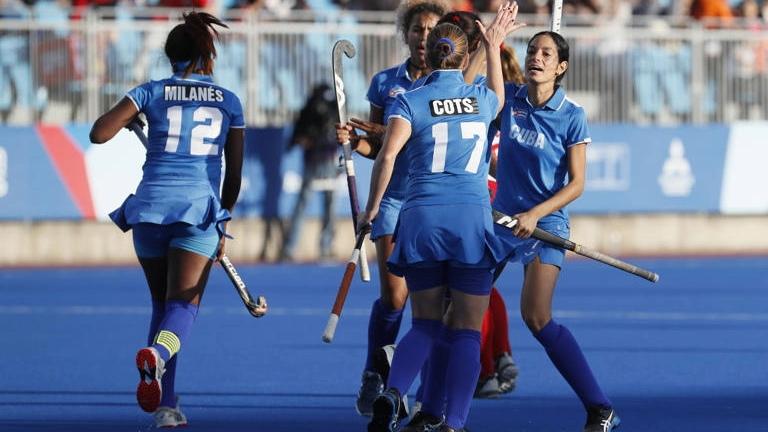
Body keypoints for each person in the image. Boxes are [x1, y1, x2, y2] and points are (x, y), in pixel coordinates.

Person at [362, 4, 523, 432]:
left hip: (421, 222)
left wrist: (373, 208)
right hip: (470, 223)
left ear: (428, 55)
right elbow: (501, 92)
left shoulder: (408, 101)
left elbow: (388, 155)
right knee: (467, 331)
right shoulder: (484, 100)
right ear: (463, 57)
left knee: (426, 323)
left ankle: (394, 393)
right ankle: (454, 422)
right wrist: (493, 45)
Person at [89, 12, 244, 429]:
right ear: (207, 57)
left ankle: (166, 406)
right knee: (183, 309)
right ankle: (156, 360)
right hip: (197, 210)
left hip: (150, 208)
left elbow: (99, 133)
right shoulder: (229, 100)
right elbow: (234, 175)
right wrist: (223, 223)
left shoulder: (151, 91)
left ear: (169, 55)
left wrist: (131, 115)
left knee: (162, 306)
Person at [489, 30, 621, 432]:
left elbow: (577, 184)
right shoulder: (509, 99)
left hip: (545, 222)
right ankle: (435, 410)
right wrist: (493, 44)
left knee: (536, 316)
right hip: (501, 219)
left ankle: (600, 408)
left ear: (560, 67)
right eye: (532, 51)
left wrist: (535, 214)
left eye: (547, 53)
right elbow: (490, 86)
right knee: (457, 310)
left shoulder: (571, 115)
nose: (537, 57)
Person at [338, 0, 449, 418]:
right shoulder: (385, 82)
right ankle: (375, 372)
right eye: (416, 29)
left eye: (431, 30)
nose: (423, 37)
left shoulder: (448, 85)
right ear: (405, 34)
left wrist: (376, 129)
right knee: (395, 295)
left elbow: (420, 132)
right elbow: (377, 150)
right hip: (391, 198)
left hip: (432, 199)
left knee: (430, 302)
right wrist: (354, 140)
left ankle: (415, 385)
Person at [475, 41, 524, 400]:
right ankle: (501, 353)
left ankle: (485, 371)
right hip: (503, 209)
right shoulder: (521, 111)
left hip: (483, 206)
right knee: (482, 288)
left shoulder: (488, 106)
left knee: (468, 291)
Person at [280, 83, 340, 261]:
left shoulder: (333, 109)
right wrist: (306, 139)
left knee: (329, 205)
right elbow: (295, 139)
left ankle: (325, 247)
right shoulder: (308, 110)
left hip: (328, 161)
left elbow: (340, 133)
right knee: (305, 203)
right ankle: (291, 248)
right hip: (314, 161)